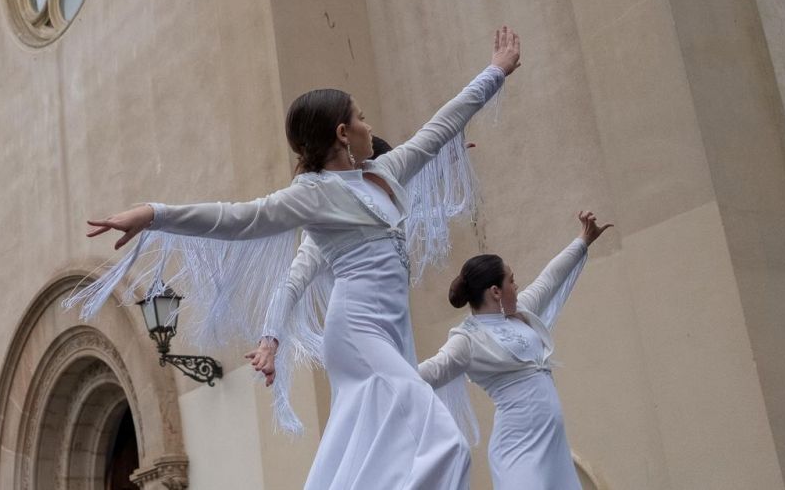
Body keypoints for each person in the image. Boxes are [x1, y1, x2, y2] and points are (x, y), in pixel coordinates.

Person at [81, 28, 521, 489]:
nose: (370, 126)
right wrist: (154, 214)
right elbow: (237, 219)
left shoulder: (385, 173)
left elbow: (440, 127)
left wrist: (495, 73)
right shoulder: (313, 196)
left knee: (386, 452)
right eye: (362, 118)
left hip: (393, 332)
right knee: (442, 442)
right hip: (358, 332)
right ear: (342, 133)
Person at [416, 212, 612, 490]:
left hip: (553, 445)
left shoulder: (520, 313)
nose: (517, 286)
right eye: (512, 280)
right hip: (518, 447)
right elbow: (428, 373)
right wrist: (378, 374)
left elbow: (549, 278)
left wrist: (583, 240)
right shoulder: (467, 339)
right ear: (496, 291)